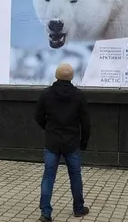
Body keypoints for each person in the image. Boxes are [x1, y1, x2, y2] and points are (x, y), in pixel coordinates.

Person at [35, 63, 91, 222]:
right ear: (72, 77)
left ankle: (45, 214)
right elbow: (85, 122)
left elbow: (38, 116)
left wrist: (48, 128)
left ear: (56, 75)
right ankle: (78, 209)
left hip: (52, 142)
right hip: (72, 143)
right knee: (75, 175)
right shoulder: (79, 96)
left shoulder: (46, 94)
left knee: (48, 176)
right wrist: (84, 141)